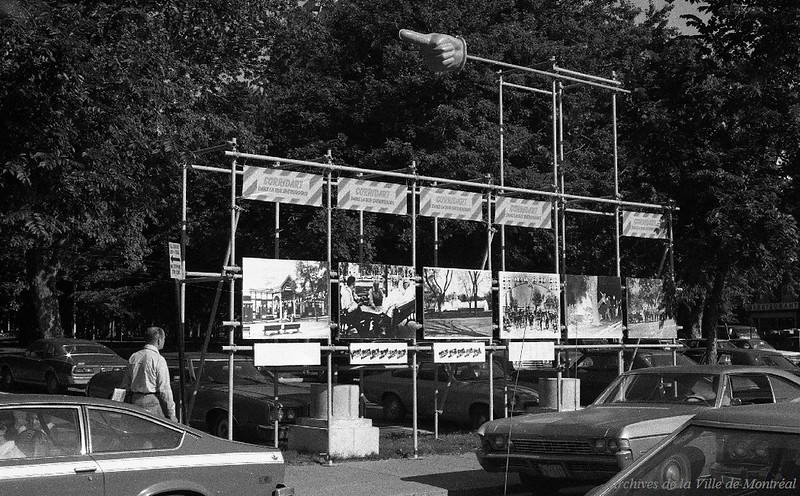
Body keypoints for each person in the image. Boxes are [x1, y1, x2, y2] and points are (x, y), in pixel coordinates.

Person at [120, 326, 177, 421]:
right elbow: (165, 389)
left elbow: (125, 385)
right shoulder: (158, 359)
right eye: (164, 339)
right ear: (159, 340)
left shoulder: (134, 357)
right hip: (152, 402)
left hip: (135, 402)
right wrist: (172, 413)